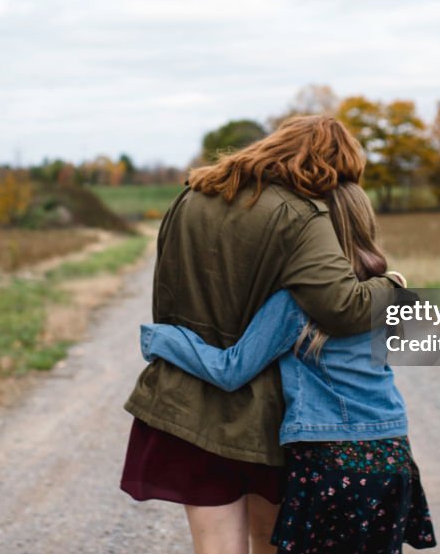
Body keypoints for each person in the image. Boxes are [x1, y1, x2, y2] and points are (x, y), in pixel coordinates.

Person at [120, 116, 404, 554]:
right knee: (270, 543)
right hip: (262, 418)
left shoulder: (191, 197)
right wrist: (393, 286)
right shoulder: (300, 215)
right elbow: (343, 307)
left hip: (183, 400)